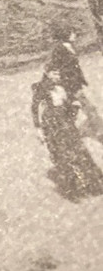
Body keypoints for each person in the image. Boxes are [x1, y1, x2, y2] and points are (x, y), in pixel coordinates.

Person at [32, 68, 103, 200]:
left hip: (67, 124)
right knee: (63, 155)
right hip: (53, 125)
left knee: (80, 152)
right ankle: (74, 189)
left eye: (58, 74)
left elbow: (71, 106)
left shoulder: (64, 86)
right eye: (54, 73)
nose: (57, 76)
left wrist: (74, 107)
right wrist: (38, 129)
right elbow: (34, 109)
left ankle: (95, 184)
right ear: (47, 74)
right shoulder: (42, 88)